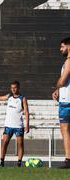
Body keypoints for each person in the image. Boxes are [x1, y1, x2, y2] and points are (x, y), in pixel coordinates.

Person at [0, 81, 30, 167]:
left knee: (20, 144)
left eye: (15, 87)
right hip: (8, 125)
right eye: (12, 88)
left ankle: (19, 163)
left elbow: (26, 112)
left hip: (18, 126)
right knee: (5, 143)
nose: (13, 89)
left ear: (18, 88)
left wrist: (27, 125)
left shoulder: (22, 98)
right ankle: (2, 162)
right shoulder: (9, 96)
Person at [53, 37, 70, 169]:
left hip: (67, 102)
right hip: (65, 99)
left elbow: (63, 81)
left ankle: (68, 160)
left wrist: (58, 85)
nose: (60, 49)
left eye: (62, 46)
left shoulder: (69, 61)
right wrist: (58, 90)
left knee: (65, 130)